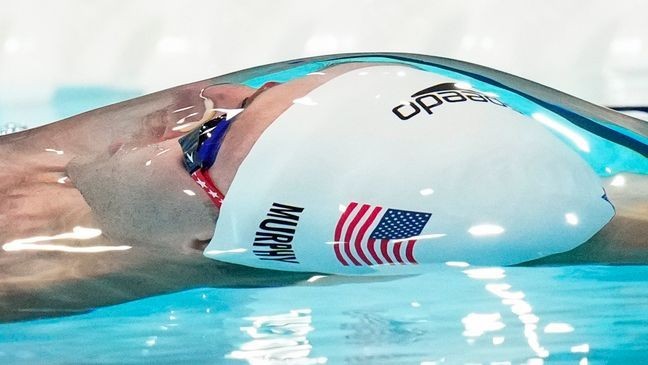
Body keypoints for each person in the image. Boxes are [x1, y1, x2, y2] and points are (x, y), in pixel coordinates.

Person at [0, 53, 646, 322]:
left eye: (209, 136)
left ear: (206, 238)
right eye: (259, 91)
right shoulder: (143, 171)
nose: (199, 100)